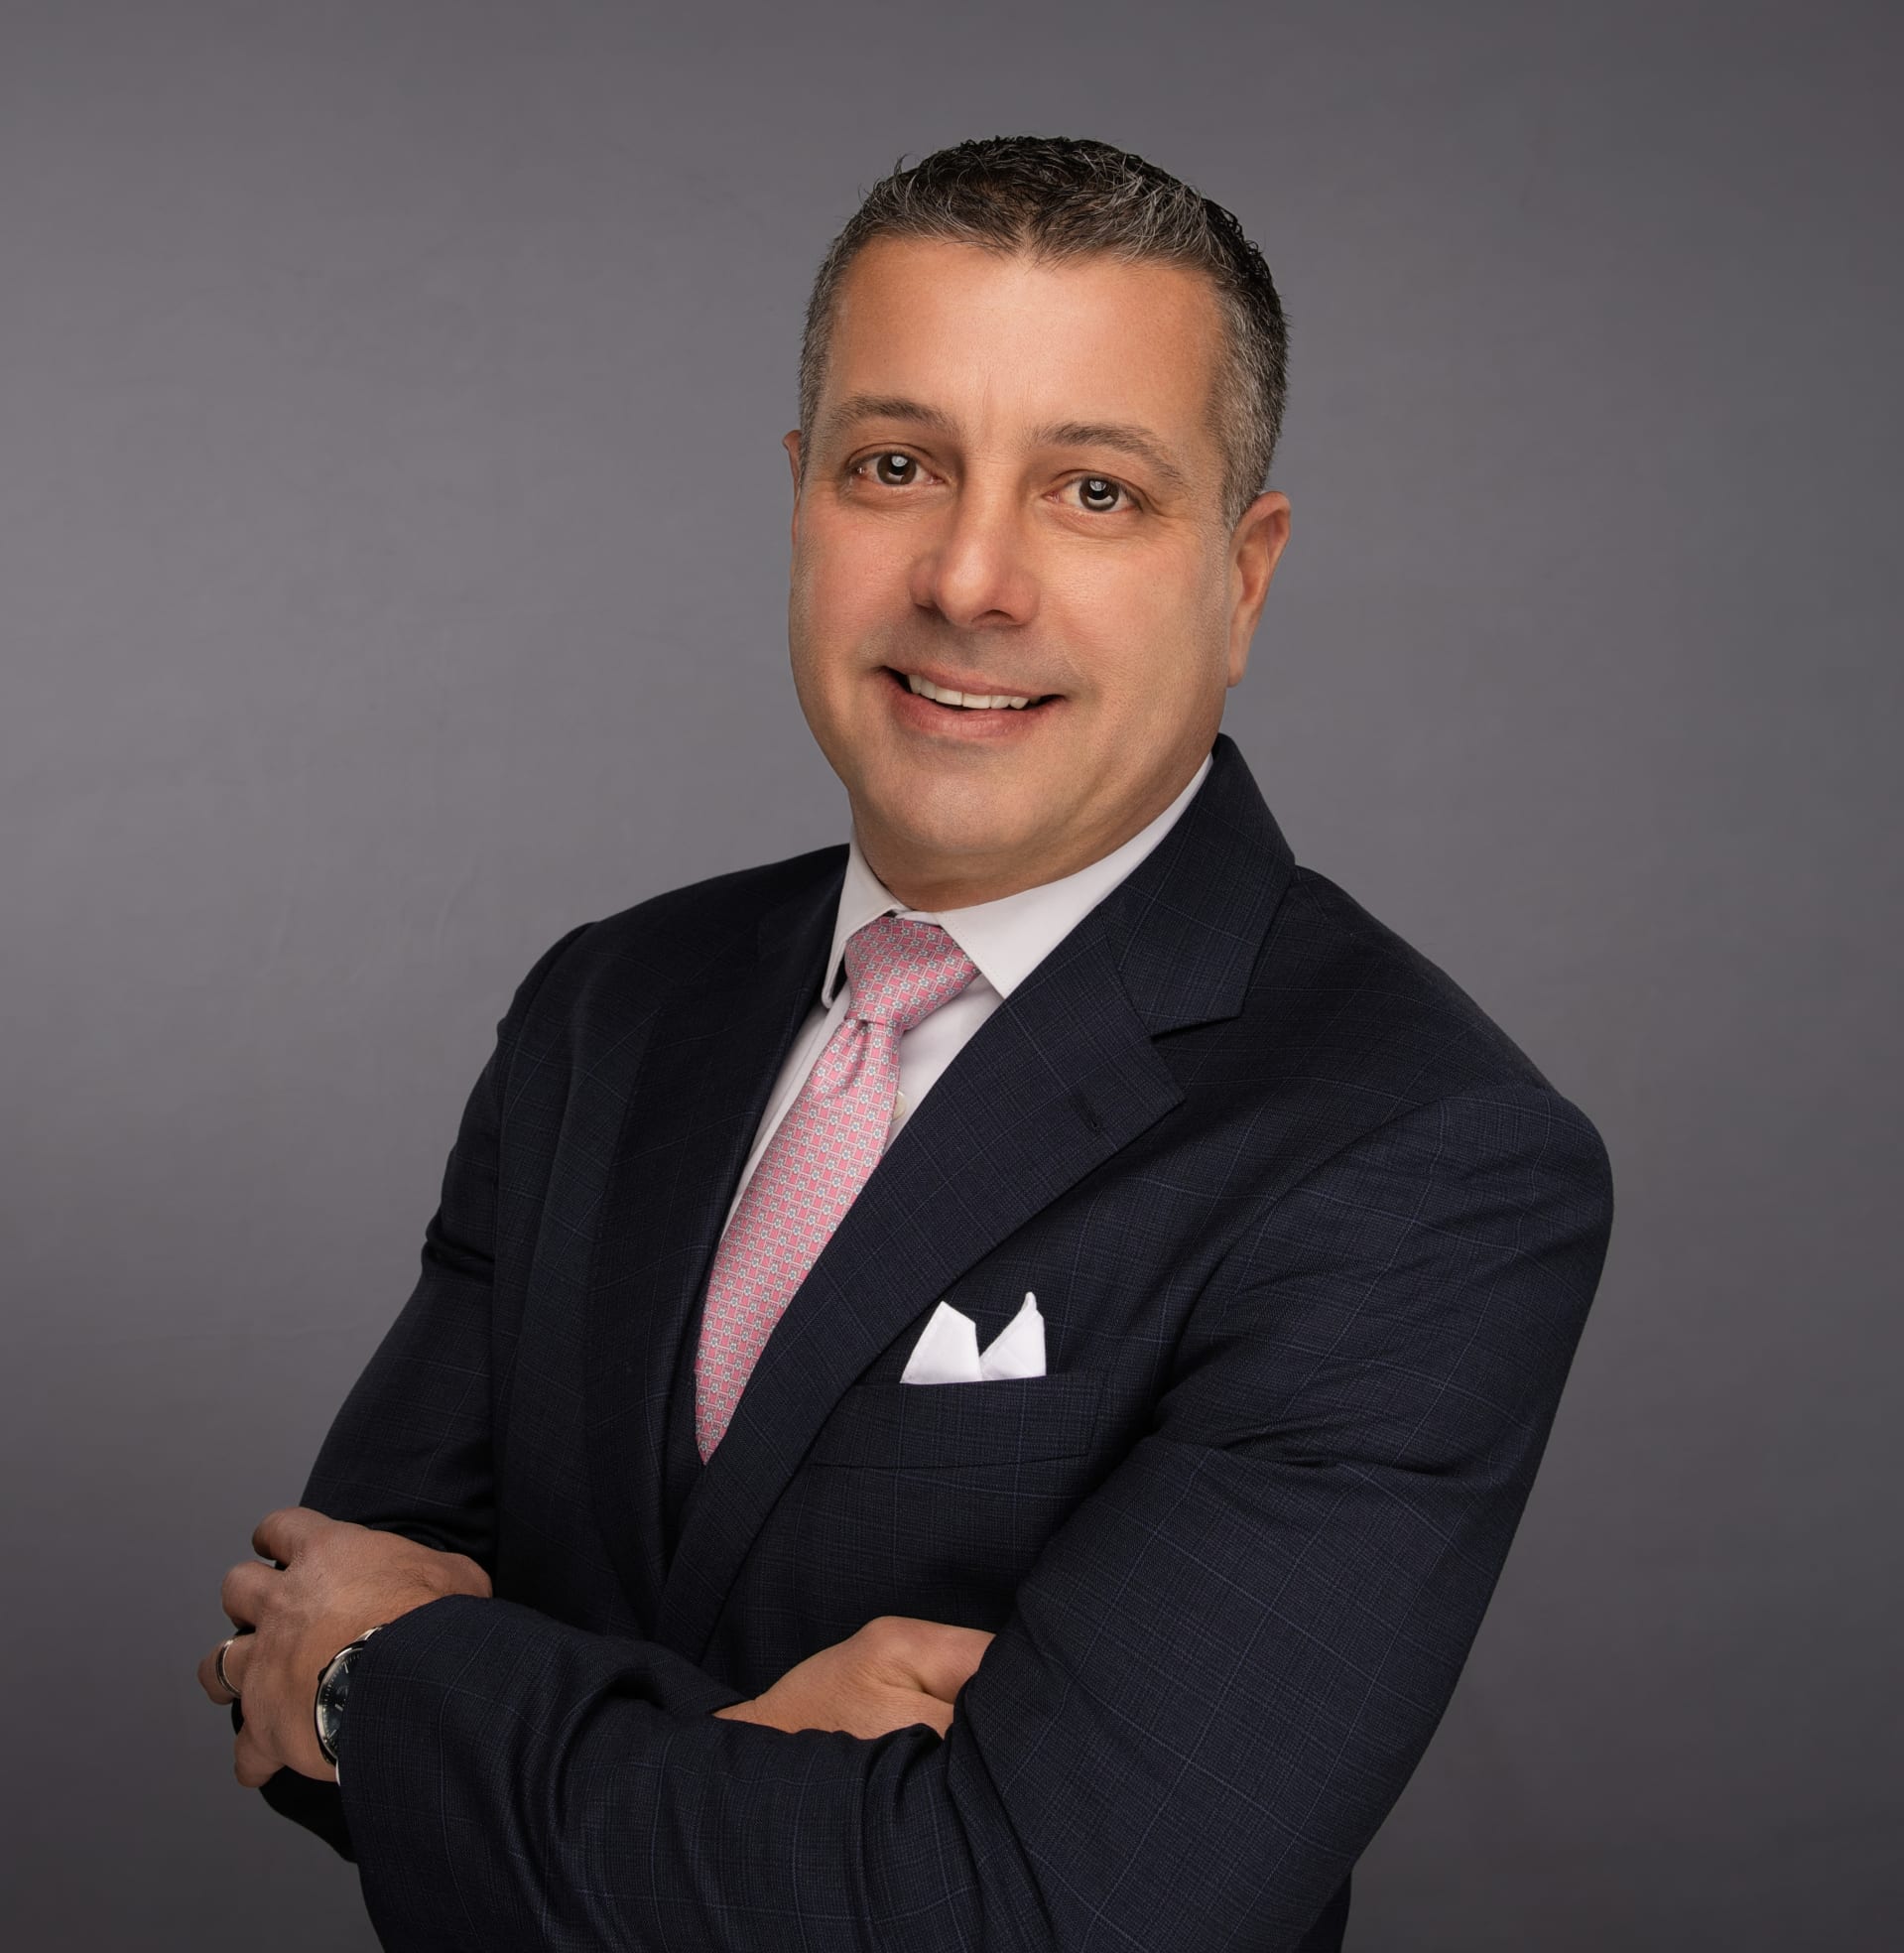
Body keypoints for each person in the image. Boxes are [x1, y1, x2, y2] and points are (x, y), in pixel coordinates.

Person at [197, 134, 1614, 1953]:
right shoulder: (608, 1009)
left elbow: (1035, 1915)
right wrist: (738, 1767)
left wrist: (397, 1693)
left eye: (1093, 491)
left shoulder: (1419, 1160)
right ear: (801, 498)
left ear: (1244, 577)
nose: (969, 577)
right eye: (896, 466)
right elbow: (289, 1644)